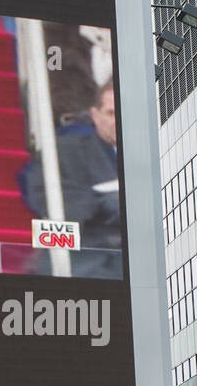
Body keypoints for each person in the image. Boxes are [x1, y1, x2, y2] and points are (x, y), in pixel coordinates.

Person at [20, 80, 122, 279]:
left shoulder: (153, 153)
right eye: (110, 113)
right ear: (95, 115)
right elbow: (47, 199)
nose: (117, 120)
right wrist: (109, 201)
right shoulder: (63, 151)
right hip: (86, 263)